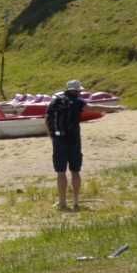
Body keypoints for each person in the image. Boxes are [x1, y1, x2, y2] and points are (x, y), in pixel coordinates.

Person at [47, 79, 87, 211]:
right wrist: (114, 108)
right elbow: (93, 108)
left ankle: (62, 202)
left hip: (59, 139)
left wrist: (52, 136)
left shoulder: (56, 101)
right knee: (75, 171)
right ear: (77, 91)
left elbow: (47, 120)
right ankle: (76, 201)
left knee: (61, 172)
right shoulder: (78, 102)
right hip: (74, 139)